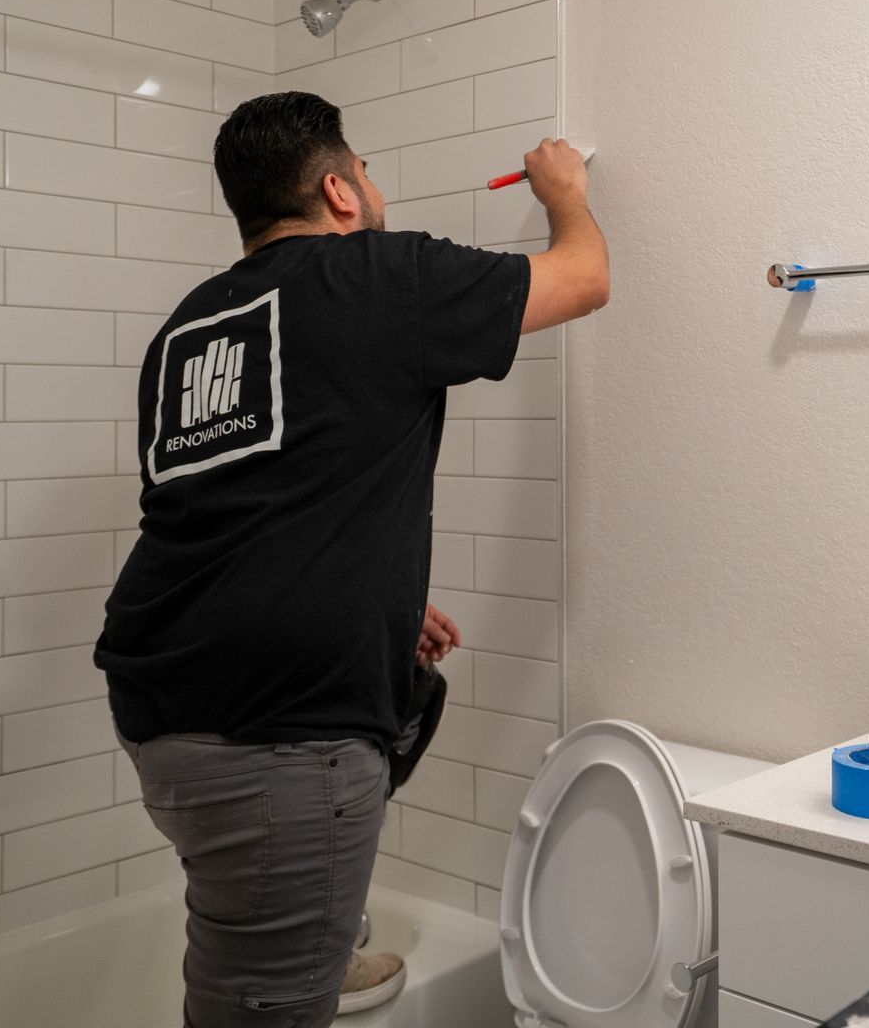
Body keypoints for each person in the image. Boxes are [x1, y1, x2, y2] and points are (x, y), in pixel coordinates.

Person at [93, 91, 608, 1027]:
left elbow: (232, 512)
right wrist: (563, 190)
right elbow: (582, 278)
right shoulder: (382, 275)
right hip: (276, 742)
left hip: (160, 710)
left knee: (253, 930)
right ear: (337, 190)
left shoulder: (189, 329)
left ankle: (306, 951)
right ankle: (290, 972)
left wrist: (371, 600)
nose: (375, 188)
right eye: (365, 171)